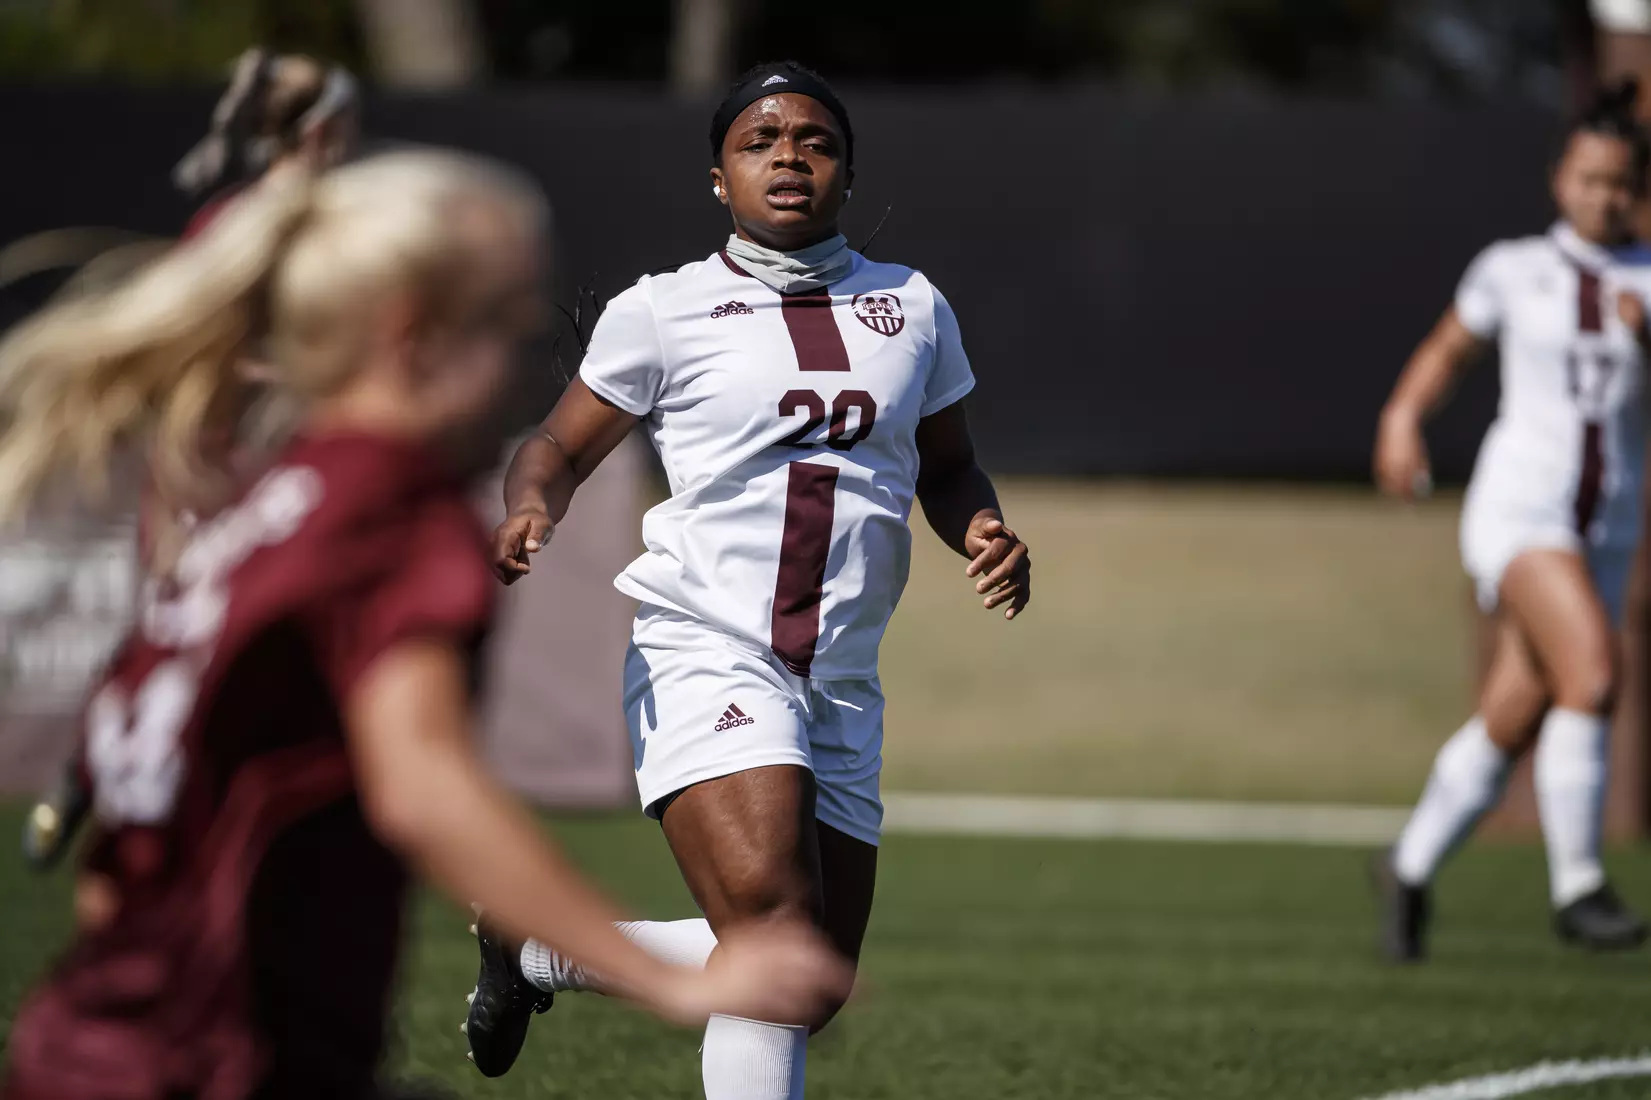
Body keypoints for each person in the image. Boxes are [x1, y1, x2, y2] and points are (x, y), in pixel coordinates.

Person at [0, 148, 850, 1100]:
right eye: (509, 327)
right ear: (414, 336)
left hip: (84, 1044)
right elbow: (424, 788)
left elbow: (112, 872)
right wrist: (663, 979)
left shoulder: (265, 500)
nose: (528, 362)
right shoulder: (387, 508)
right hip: (216, 1065)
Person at [460, 61, 1031, 1100]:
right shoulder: (661, 310)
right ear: (718, 178)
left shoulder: (912, 303)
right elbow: (553, 442)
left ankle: (537, 950)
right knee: (771, 928)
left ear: (847, 171)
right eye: (758, 141)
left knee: (806, 978)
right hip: (705, 641)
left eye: (812, 140)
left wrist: (982, 524)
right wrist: (533, 502)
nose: (786, 157)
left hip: (840, 675)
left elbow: (948, 467)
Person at [19, 46, 364, 874]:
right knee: (197, 640)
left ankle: (249, 828)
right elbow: (194, 353)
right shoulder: (243, 227)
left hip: (298, 468)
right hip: (218, 468)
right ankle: (99, 778)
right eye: (348, 127)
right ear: (321, 131)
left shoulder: (341, 229)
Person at [1372, 80, 1651, 961]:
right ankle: (1578, 886)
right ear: (1558, 178)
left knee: (1518, 708)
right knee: (1596, 675)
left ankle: (1406, 867)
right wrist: (1400, 418)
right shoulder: (1511, 267)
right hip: (1521, 507)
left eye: (1619, 182)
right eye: (1588, 177)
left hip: (1606, 523)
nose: (1602, 195)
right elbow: (1446, 348)